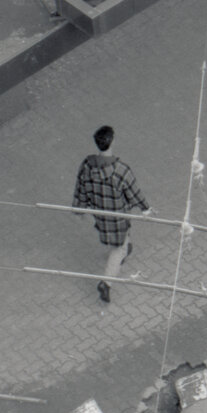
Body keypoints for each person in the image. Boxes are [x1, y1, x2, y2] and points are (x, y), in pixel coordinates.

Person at [72, 125, 150, 304]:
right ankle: (106, 283)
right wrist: (146, 209)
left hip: (100, 213)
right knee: (118, 248)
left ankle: (127, 246)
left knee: (119, 237)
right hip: (118, 216)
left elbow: (80, 188)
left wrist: (80, 209)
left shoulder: (87, 165)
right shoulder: (121, 170)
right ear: (112, 141)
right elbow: (134, 193)